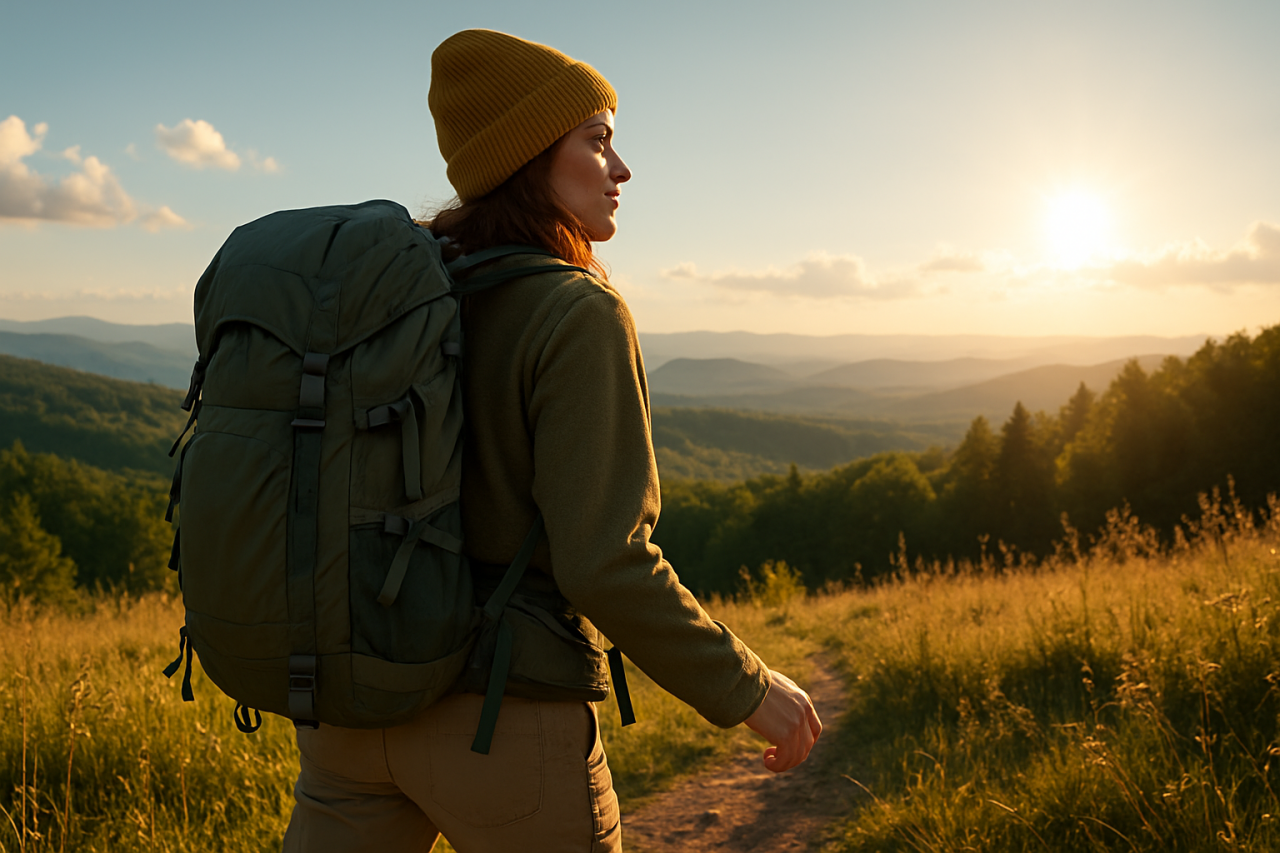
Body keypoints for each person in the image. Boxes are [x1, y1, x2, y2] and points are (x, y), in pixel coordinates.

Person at [282, 28, 821, 853]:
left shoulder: (396, 299)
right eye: (597, 140)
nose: (621, 168)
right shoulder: (577, 312)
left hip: (349, 712)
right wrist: (751, 688)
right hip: (503, 719)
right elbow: (605, 559)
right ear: (531, 155)